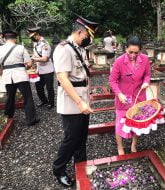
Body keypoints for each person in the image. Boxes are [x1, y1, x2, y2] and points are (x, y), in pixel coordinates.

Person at [52, 15, 98, 187]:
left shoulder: (79, 48)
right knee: (71, 138)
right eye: (88, 36)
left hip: (83, 98)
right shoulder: (64, 49)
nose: (89, 39)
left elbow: (85, 74)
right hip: (72, 103)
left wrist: (89, 93)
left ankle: (81, 164)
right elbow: (63, 78)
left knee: (81, 136)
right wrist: (80, 102)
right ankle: (58, 169)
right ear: (80, 32)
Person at [109, 36, 151, 155]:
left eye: (136, 53)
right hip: (124, 97)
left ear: (140, 51)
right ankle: (120, 147)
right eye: (130, 52)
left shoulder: (145, 60)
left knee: (137, 122)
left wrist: (146, 82)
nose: (133, 55)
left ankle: (134, 144)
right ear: (126, 49)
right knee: (120, 123)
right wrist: (119, 94)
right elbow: (112, 81)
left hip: (139, 96)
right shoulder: (119, 61)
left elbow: (147, 75)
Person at [0, 31, 39, 126]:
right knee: (28, 97)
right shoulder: (20, 48)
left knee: (10, 97)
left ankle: (8, 116)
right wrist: (27, 68)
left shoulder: (0, 49)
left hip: (7, 76)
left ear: (5, 39)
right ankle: (31, 120)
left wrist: (2, 73)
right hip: (21, 75)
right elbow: (29, 63)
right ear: (15, 39)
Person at [28, 27, 55, 109]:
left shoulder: (45, 44)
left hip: (47, 70)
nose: (32, 38)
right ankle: (44, 101)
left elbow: (45, 58)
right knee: (38, 87)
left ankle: (51, 103)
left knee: (49, 88)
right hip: (39, 70)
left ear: (36, 35)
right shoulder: (36, 43)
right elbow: (35, 54)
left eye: (32, 36)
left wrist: (33, 59)